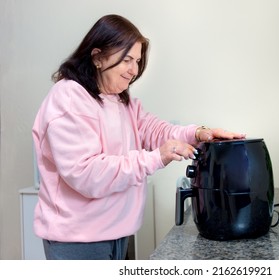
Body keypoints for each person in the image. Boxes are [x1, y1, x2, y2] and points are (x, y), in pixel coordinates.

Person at [32, 14, 245, 260]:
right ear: (98, 57)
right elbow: (87, 174)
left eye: (137, 61)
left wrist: (198, 133)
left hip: (116, 232)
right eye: (127, 60)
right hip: (78, 240)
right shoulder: (69, 98)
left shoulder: (120, 100)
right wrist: (156, 158)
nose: (134, 71)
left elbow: (154, 130)